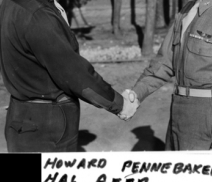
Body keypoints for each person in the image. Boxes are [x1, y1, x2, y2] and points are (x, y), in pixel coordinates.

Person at [0, 0, 137, 152]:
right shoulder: (39, 15)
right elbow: (75, 75)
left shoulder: (10, 4)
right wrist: (120, 104)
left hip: (20, 116)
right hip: (47, 121)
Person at [122, 0, 212, 150]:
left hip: (207, 118)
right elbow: (164, 62)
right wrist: (135, 95)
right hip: (177, 115)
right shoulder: (186, 10)